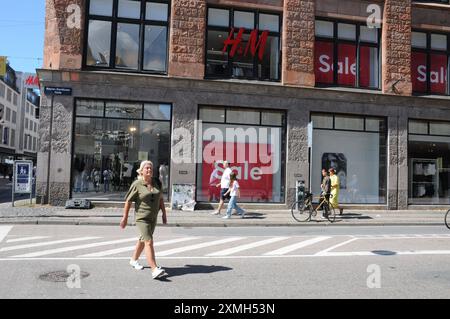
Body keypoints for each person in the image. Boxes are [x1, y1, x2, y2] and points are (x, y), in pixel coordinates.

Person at [120, 160, 168, 280]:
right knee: (148, 241)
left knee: (143, 239)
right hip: (142, 218)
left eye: (151, 168)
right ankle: (154, 269)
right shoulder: (137, 184)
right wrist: (125, 217)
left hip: (153, 217)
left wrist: (164, 214)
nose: (149, 170)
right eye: (146, 168)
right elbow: (128, 201)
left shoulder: (157, 182)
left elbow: (161, 199)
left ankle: (133, 260)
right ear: (141, 171)